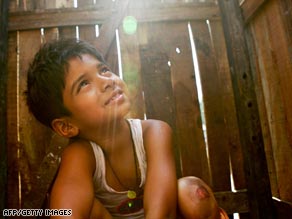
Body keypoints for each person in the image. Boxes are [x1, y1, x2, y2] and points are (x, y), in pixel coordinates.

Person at [25, 38, 228, 219]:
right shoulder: (81, 155)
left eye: (103, 70)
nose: (107, 81)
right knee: (85, 207)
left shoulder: (154, 132)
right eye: (84, 84)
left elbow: (162, 214)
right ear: (66, 126)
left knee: (190, 192)